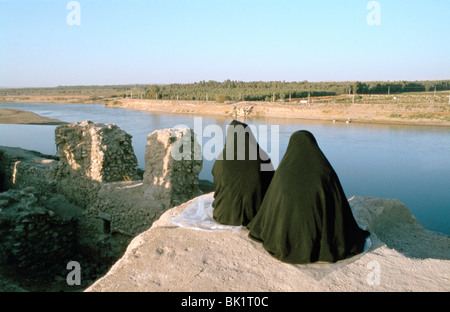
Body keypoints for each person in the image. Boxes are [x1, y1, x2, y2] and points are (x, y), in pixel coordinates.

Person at [247, 130, 369, 264]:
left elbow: (271, 204)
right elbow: (338, 204)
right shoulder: (324, 171)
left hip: (284, 238)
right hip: (319, 239)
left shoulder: (283, 173)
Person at [212, 120, 274, 226]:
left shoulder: (222, 159)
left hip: (224, 214)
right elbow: (271, 184)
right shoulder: (262, 156)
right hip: (254, 215)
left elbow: (217, 181)